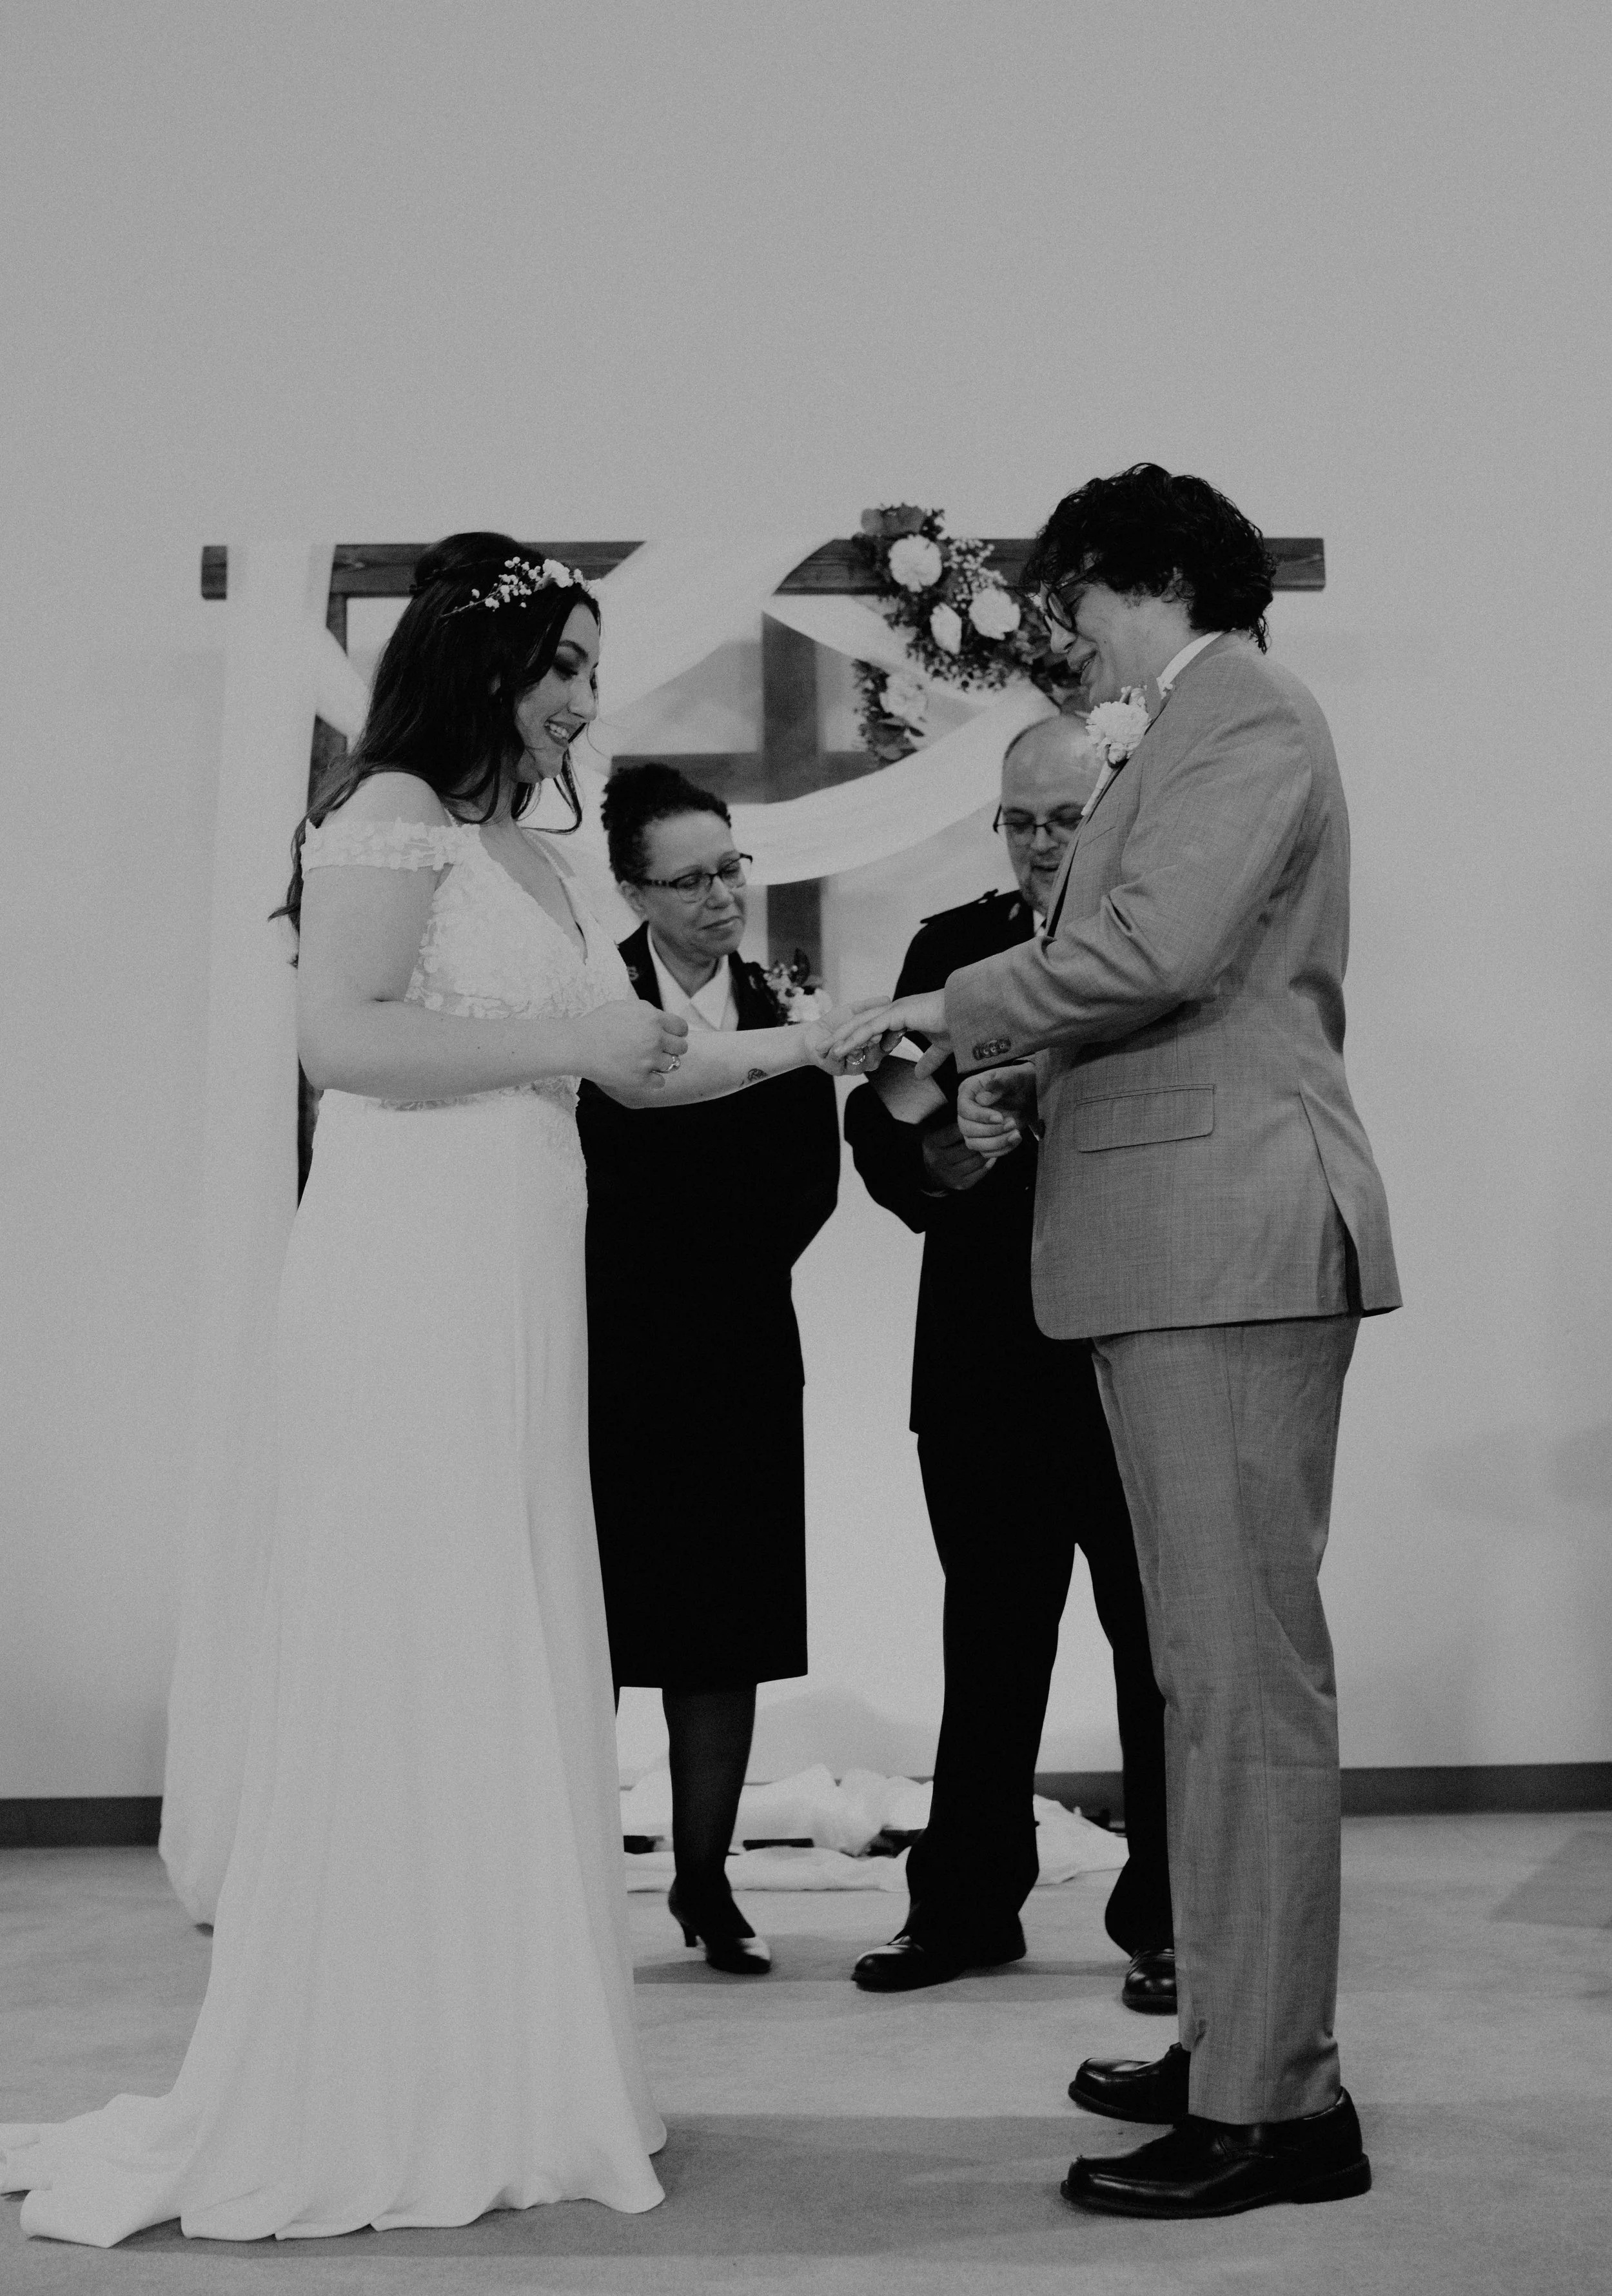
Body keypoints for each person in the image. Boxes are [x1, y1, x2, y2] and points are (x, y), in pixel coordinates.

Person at [1, 534, 849, 2247]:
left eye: (591, 673)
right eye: (561, 669)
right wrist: (580, 1050)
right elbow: (346, 1040)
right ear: (479, 666)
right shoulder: (384, 807)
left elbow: (646, 1065)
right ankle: (384, 2065)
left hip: (519, 1269)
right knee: (419, 1620)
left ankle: (509, 2053)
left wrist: (822, 1037)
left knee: (513, 1620)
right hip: (409, 1274)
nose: (580, 705)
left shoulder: (530, 853)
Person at [831, 466, 1400, 2219]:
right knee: (1203, 1689)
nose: (1059, 636)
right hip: (1175, 1243)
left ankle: (1279, 2105)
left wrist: (943, 1003)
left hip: (1223, 1240)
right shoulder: (1186, 727)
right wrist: (976, 1073)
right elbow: (1138, 970)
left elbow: (1153, 951)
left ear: (1140, 575)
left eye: (1070, 599)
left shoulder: (1242, 714)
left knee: (1241, 1691)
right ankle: (1235, 2040)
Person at [841, 713, 1174, 2008]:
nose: (1040, 844)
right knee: (984, 1641)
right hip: (982, 1359)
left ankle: (1170, 1919)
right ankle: (966, 1904)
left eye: (1065, 819)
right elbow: (882, 1125)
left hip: (1129, 1349)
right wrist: (950, 1137)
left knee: (1152, 1646)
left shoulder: (1163, 949)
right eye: (1019, 820)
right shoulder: (947, 950)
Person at [577, 762, 840, 1977]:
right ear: (633, 889)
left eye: (732, 867)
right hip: (606, 1346)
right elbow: (576, 1161)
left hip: (737, 1343)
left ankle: (704, 1878)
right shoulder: (592, 999)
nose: (723, 896)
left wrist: (717, 1256)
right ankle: (572, 1881)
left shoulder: (783, 1001)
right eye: (691, 879)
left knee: (721, 1629)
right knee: (590, 1619)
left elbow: (807, 1181)